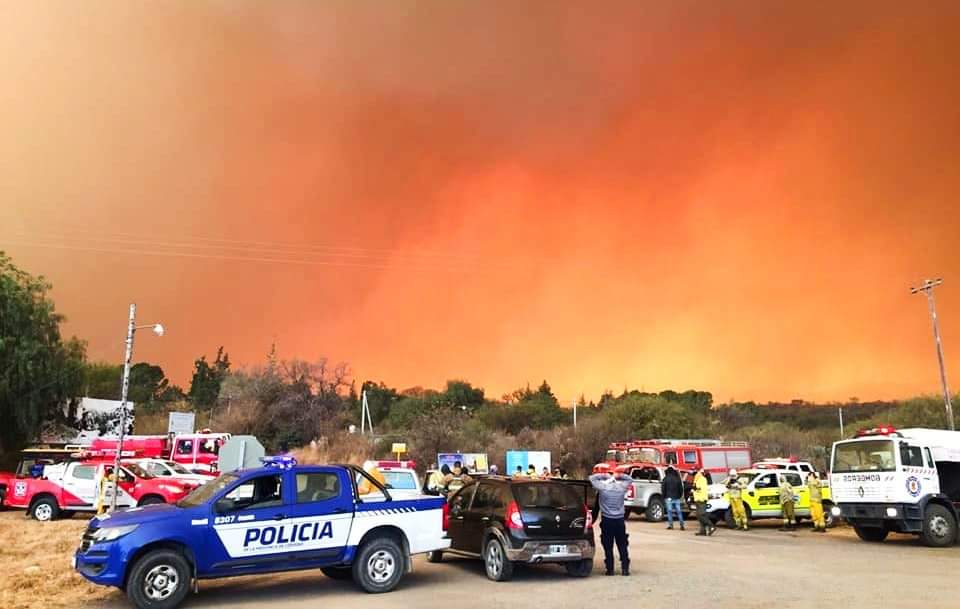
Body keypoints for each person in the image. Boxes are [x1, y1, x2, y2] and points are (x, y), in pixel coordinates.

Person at [588, 470, 633, 576]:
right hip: (620, 520)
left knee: (608, 546)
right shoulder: (621, 488)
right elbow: (630, 479)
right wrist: (619, 476)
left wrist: (604, 475)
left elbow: (591, 478)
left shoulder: (603, 488)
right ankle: (625, 568)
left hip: (607, 520)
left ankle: (610, 569)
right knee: (622, 544)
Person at [693, 468, 716, 536]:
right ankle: (702, 531)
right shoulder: (697, 478)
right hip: (698, 498)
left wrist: (696, 488)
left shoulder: (701, 479)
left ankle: (711, 526)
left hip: (701, 499)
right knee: (700, 515)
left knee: (701, 515)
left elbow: (701, 488)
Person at [661, 465, 685, 530]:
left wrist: (664, 496)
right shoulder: (677, 478)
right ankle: (682, 525)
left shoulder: (665, 479)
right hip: (677, 498)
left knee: (669, 512)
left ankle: (671, 525)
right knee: (679, 512)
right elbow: (681, 489)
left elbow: (663, 489)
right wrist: (679, 496)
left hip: (668, 498)